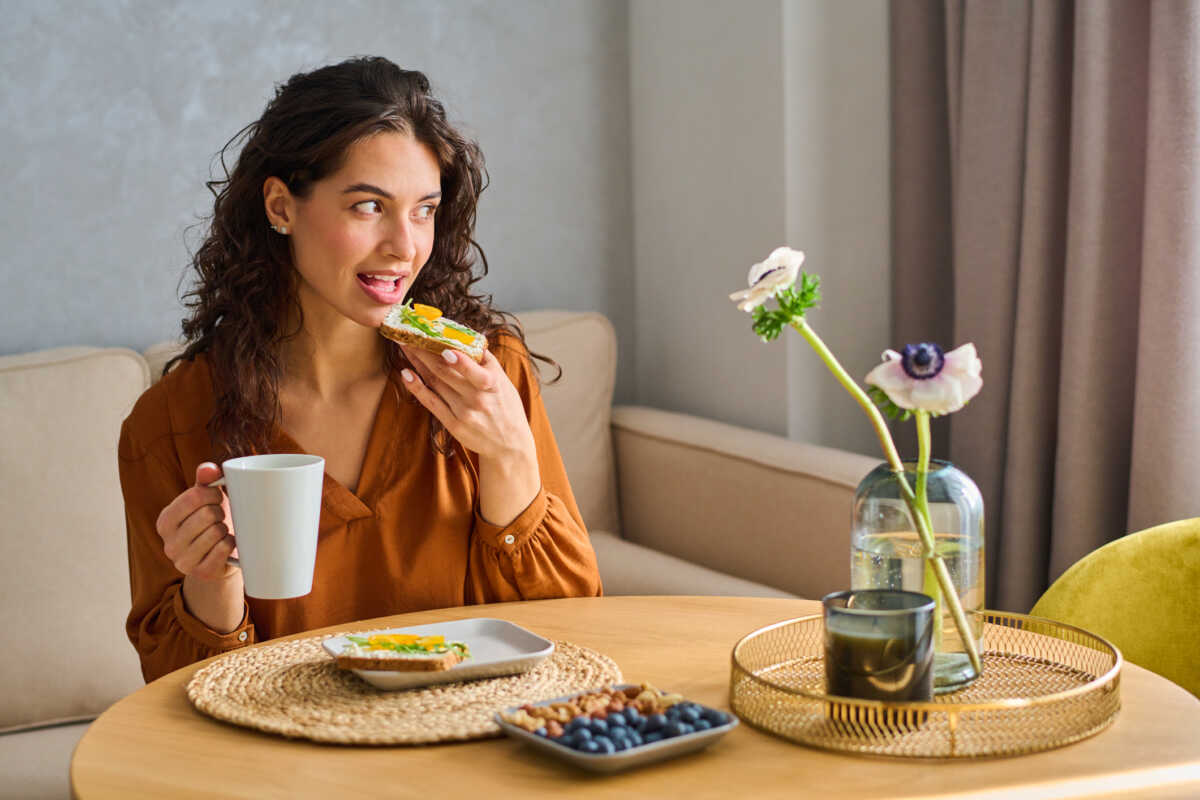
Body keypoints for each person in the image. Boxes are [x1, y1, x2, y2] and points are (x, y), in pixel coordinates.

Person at [118, 57, 602, 683]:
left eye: (424, 209)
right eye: (369, 206)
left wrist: (510, 457)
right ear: (281, 206)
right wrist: (210, 584)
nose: (405, 246)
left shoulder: (486, 376)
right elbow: (180, 696)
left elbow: (569, 634)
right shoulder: (171, 424)